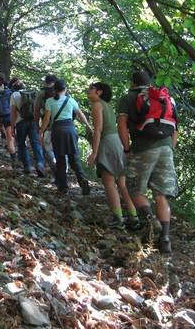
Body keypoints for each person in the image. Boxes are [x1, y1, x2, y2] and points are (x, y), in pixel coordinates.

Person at [117, 71, 178, 253]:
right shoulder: (166, 98)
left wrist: (127, 148)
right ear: (149, 82)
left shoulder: (128, 97)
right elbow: (175, 129)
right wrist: (170, 149)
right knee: (161, 195)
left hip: (143, 148)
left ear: (131, 82)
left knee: (135, 189)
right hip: (166, 148)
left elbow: (122, 125)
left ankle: (152, 222)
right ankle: (165, 238)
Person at [86, 82, 138, 229]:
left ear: (99, 92)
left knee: (109, 182)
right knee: (121, 183)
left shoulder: (97, 105)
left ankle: (118, 218)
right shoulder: (107, 106)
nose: (88, 90)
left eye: (91, 88)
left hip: (108, 143)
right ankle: (133, 216)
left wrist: (94, 152)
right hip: (117, 143)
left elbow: (98, 130)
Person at [40, 79, 92, 195]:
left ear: (54, 90)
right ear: (65, 89)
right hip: (70, 129)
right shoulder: (71, 100)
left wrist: (41, 132)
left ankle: (63, 187)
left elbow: (46, 119)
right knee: (74, 158)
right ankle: (82, 181)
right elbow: (80, 114)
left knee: (60, 159)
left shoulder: (49, 101)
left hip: (57, 130)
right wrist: (88, 125)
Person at [10, 80, 45, 176]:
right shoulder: (32, 93)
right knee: (35, 142)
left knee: (21, 143)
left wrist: (12, 127)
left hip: (20, 122)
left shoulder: (14, 95)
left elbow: (13, 113)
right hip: (33, 121)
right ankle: (40, 163)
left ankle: (27, 166)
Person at [34, 74, 58, 176]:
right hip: (62, 123)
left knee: (48, 148)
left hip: (47, 123)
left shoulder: (42, 93)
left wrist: (36, 124)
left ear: (46, 82)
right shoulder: (61, 91)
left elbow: (36, 110)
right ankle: (62, 168)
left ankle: (55, 168)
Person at [0, 74, 16, 165]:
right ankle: (16, 158)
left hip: (5, 117)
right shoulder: (11, 93)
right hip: (13, 116)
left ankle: (13, 157)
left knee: (9, 139)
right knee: (12, 139)